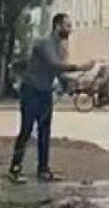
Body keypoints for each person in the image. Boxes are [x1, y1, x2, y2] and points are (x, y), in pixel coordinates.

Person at [8, 13, 90, 182]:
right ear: (57, 26)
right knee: (27, 129)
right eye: (67, 26)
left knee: (45, 131)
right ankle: (15, 168)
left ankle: (43, 169)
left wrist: (69, 84)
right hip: (31, 89)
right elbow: (54, 63)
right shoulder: (44, 43)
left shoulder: (60, 47)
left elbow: (57, 72)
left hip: (45, 91)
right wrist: (79, 67)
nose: (70, 30)